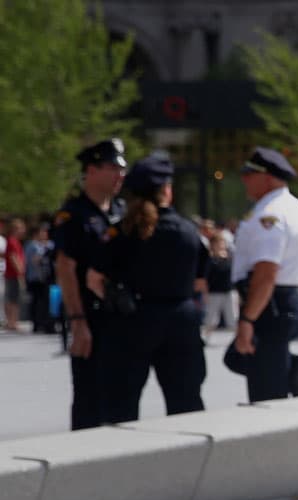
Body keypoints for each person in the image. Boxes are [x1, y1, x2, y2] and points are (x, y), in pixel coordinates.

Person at [86, 154, 208, 423]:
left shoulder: (121, 232)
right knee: (186, 403)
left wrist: (114, 297)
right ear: (166, 190)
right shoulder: (189, 231)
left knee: (121, 406)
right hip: (180, 320)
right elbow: (200, 281)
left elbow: (94, 279)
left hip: (132, 320)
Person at [230, 147, 298, 401]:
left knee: (266, 395)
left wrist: (247, 320)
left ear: (268, 177)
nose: (244, 178)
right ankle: (294, 370)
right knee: (242, 361)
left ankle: (294, 371)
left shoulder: (271, 214)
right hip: (283, 302)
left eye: (250, 174)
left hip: (271, 306)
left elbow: (266, 272)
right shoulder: (290, 206)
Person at [51, 138, 126, 429]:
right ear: (91, 171)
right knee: (90, 397)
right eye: (112, 168)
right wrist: (78, 321)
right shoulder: (74, 215)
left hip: (120, 315)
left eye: (122, 169)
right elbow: (66, 269)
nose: (120, 175)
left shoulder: (120, 209)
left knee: (120, 396)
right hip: (91, 316)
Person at [203, 231, 236, 340]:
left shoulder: (230, 258)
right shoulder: (209, 259)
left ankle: (236, 340)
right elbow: (205, 278)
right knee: (211, 319)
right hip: (214, 292)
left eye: (222, 243)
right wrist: (205, 293)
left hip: (229, 292)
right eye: (218, 243)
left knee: (232, 318)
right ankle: (205, 339)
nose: (220, 245)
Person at [25, 223, 55, 334]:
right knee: (36, 301)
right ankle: (37, 323)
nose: (44, 234)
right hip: (35, 277)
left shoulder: (50, 245)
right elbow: (32, 261)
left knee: (46, 301)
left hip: (48, 277)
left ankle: (47, 322)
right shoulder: (32, 245)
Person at [4, 218, 26, 331]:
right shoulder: (12, 241)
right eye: (21, 228)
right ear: (15, 229)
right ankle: (13, 323)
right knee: (14, 299)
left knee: (12, 298)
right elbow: (13, 258)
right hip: (13, 275)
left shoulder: (13, 241)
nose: (23, 230)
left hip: (11, 274)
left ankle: (11, 322)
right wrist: (20, 272)